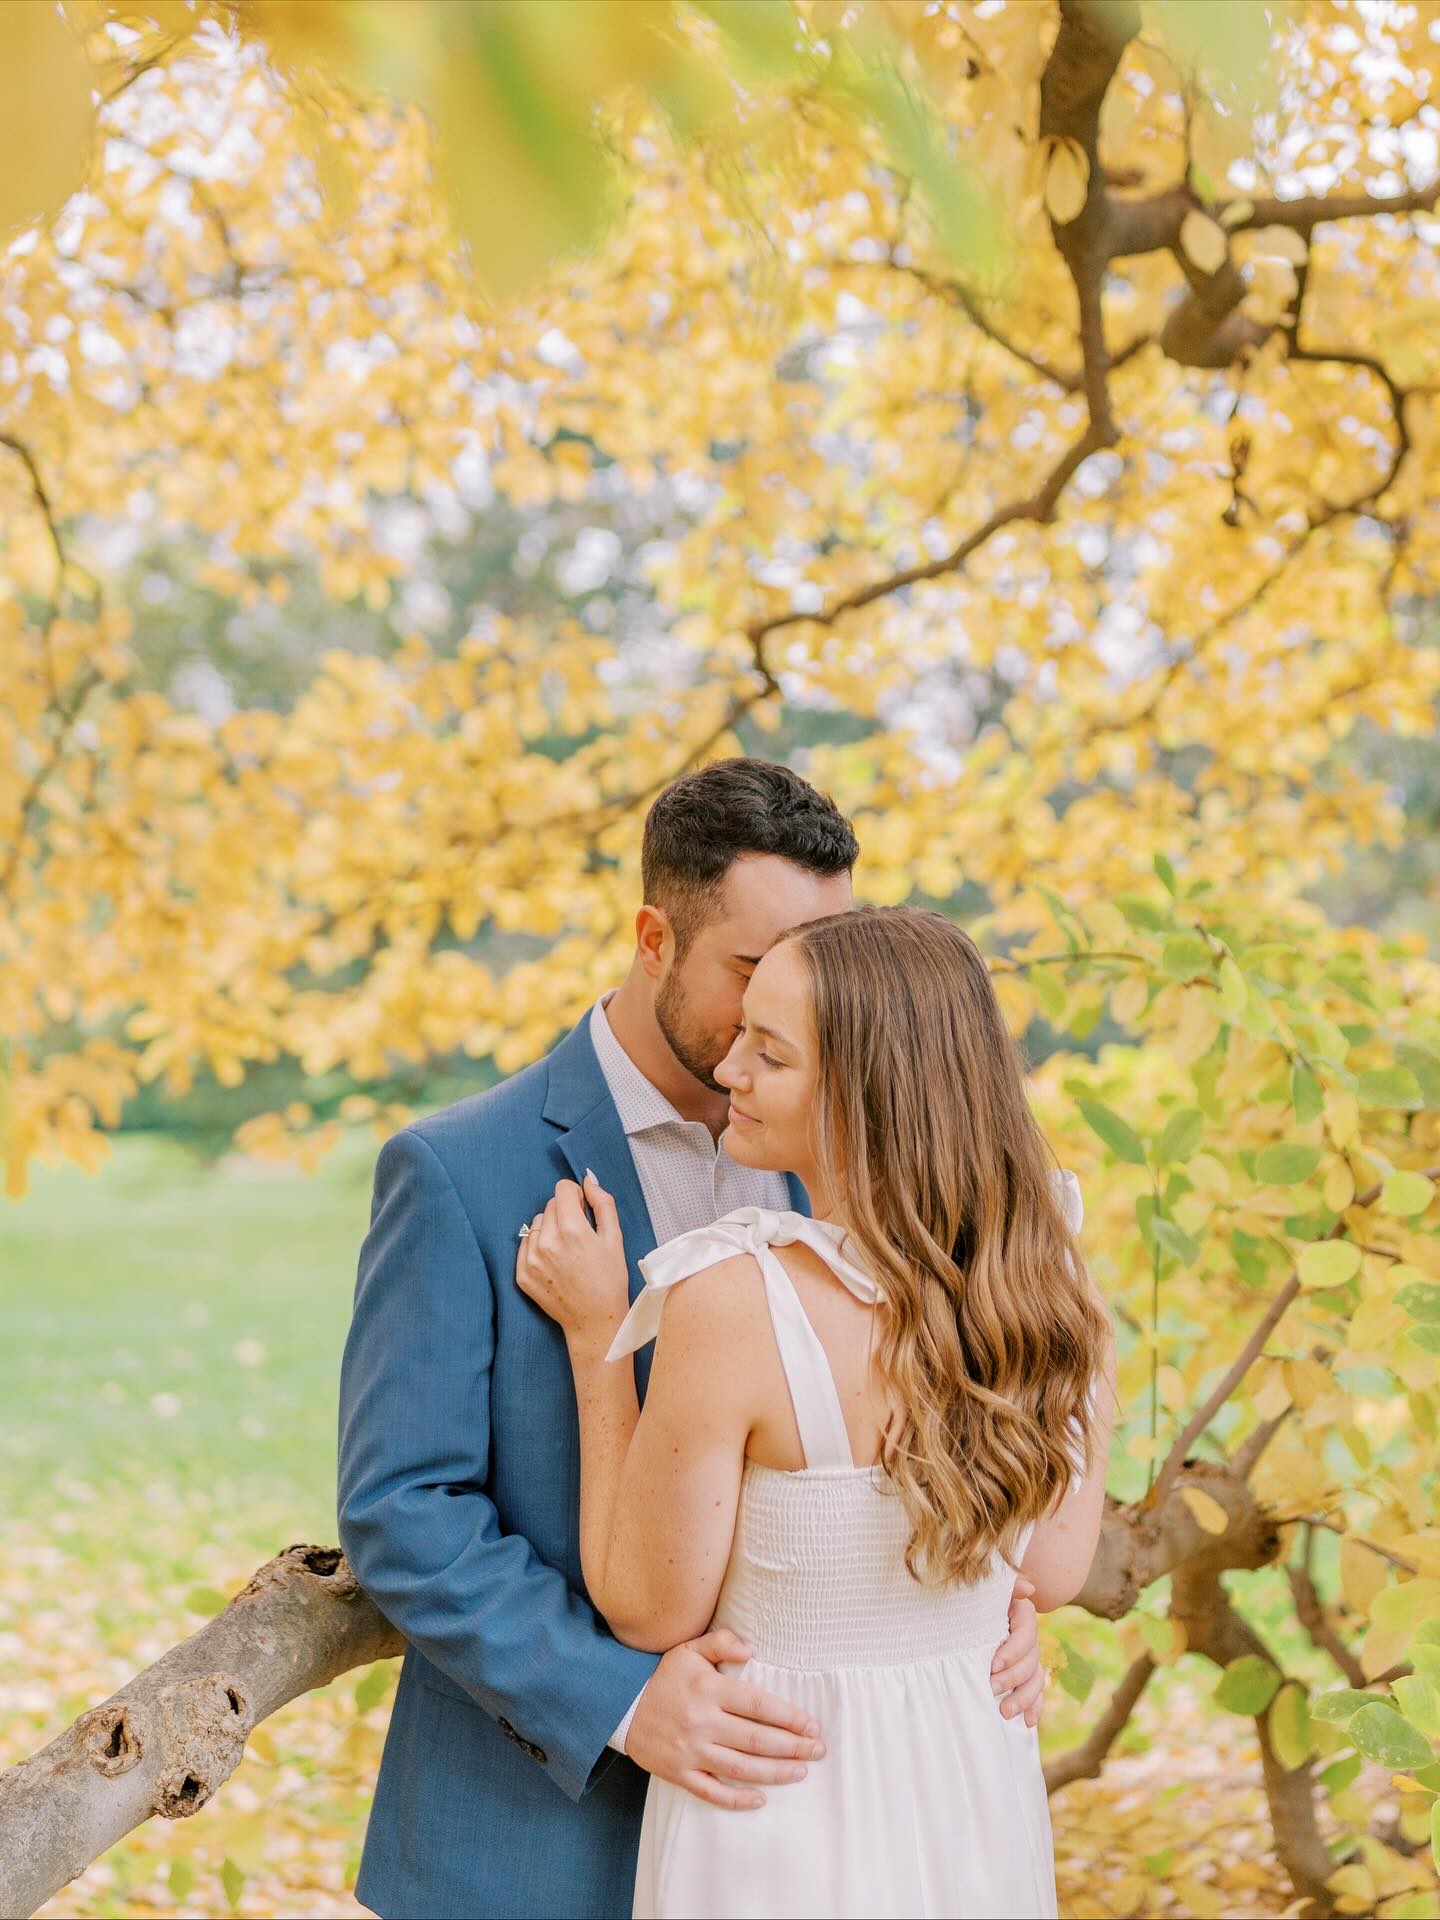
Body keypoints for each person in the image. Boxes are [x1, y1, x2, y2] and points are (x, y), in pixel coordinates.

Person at [337, 761, 1047, 1920]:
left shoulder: (870, 1160)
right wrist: (621, 1699)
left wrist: (985, 1602)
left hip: (817, 1832)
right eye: (759, 970)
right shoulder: (460, 1171)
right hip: (536, 1836)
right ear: (656, 936)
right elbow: (403, 1510)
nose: (807, 999)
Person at [517, 902, 1117, 1919]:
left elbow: (647, 1605)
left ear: (864, 1098)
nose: (730, 1069)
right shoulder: (1051, 1279)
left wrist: (598, 1340)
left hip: (782, 1792)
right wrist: (975, 1619)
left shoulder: (735, 1302)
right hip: (973, 1773)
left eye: (771, 1053)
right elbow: (1051, 1571)